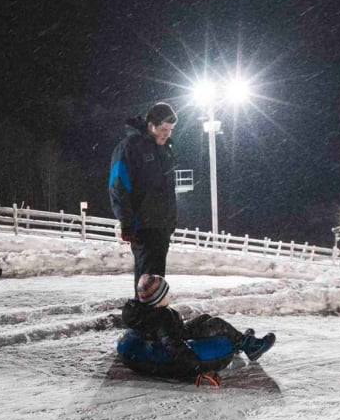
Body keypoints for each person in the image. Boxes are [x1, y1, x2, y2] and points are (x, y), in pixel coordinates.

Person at [122, 273, 275, 368]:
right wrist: (193, 363)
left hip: (179, 331)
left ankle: (238, 340)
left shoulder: (147, 311)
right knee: (217, 323)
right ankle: (250, 346)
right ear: (158, 298)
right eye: (167, 293)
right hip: (182, 337)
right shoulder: (162, 318)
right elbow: (171, 342)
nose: (170, 295)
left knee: (206, 318)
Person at [109, 101, 178, 281]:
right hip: (143, 226)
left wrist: (170, 219)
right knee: (146, 280)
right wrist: (126, 221)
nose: (167, 134)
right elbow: (118, 186)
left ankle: (155, 309)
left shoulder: (165, 150)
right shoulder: (130, 147)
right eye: (163, 129)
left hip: (161, 226)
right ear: (150, 125)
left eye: (170, 130)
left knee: (157, 280)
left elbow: (168, 189)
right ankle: (144, 309)